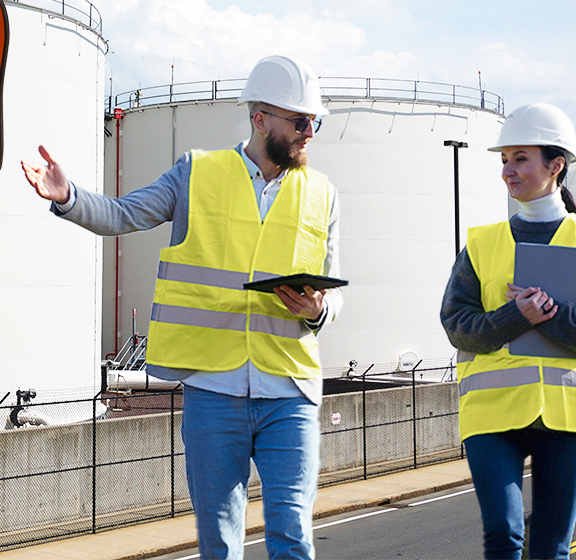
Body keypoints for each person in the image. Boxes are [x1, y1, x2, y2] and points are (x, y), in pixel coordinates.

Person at [22, 55, 341, 560]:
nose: (310, 133)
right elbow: (123, 214)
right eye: (300, 121)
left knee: (293, 535)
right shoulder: (197, 173)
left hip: (290, 388)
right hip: (213, 389)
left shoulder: (322, 192)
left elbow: (335, 291)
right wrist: (69, 197)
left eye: (315, 122)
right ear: (260, 118)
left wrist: (317, 309)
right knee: (219, 542)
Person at [440, 103, 576, 560]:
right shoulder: (481, 244)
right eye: (505, 159)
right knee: (503, 535)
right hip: (492, 415)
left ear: (556, 165)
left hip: (570, 415)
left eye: (520, 158)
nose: (507, 170)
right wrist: (516, 316)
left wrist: (551, 314)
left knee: (550, 547)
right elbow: (458, 327)